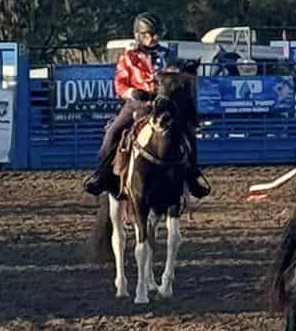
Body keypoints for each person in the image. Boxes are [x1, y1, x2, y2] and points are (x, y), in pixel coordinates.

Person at [84, 14, 209, 199]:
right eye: (148, 35)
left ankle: (193, 176)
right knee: (112, 132)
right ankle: (101, 176)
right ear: (138, 35)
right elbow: (120, 84)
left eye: (156, 34)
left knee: (189, 131)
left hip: (165, 105)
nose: (153, 38)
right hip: (137, 105)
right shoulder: (129, 57)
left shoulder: (168, 55)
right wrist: (132, 93)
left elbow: (175, 78)